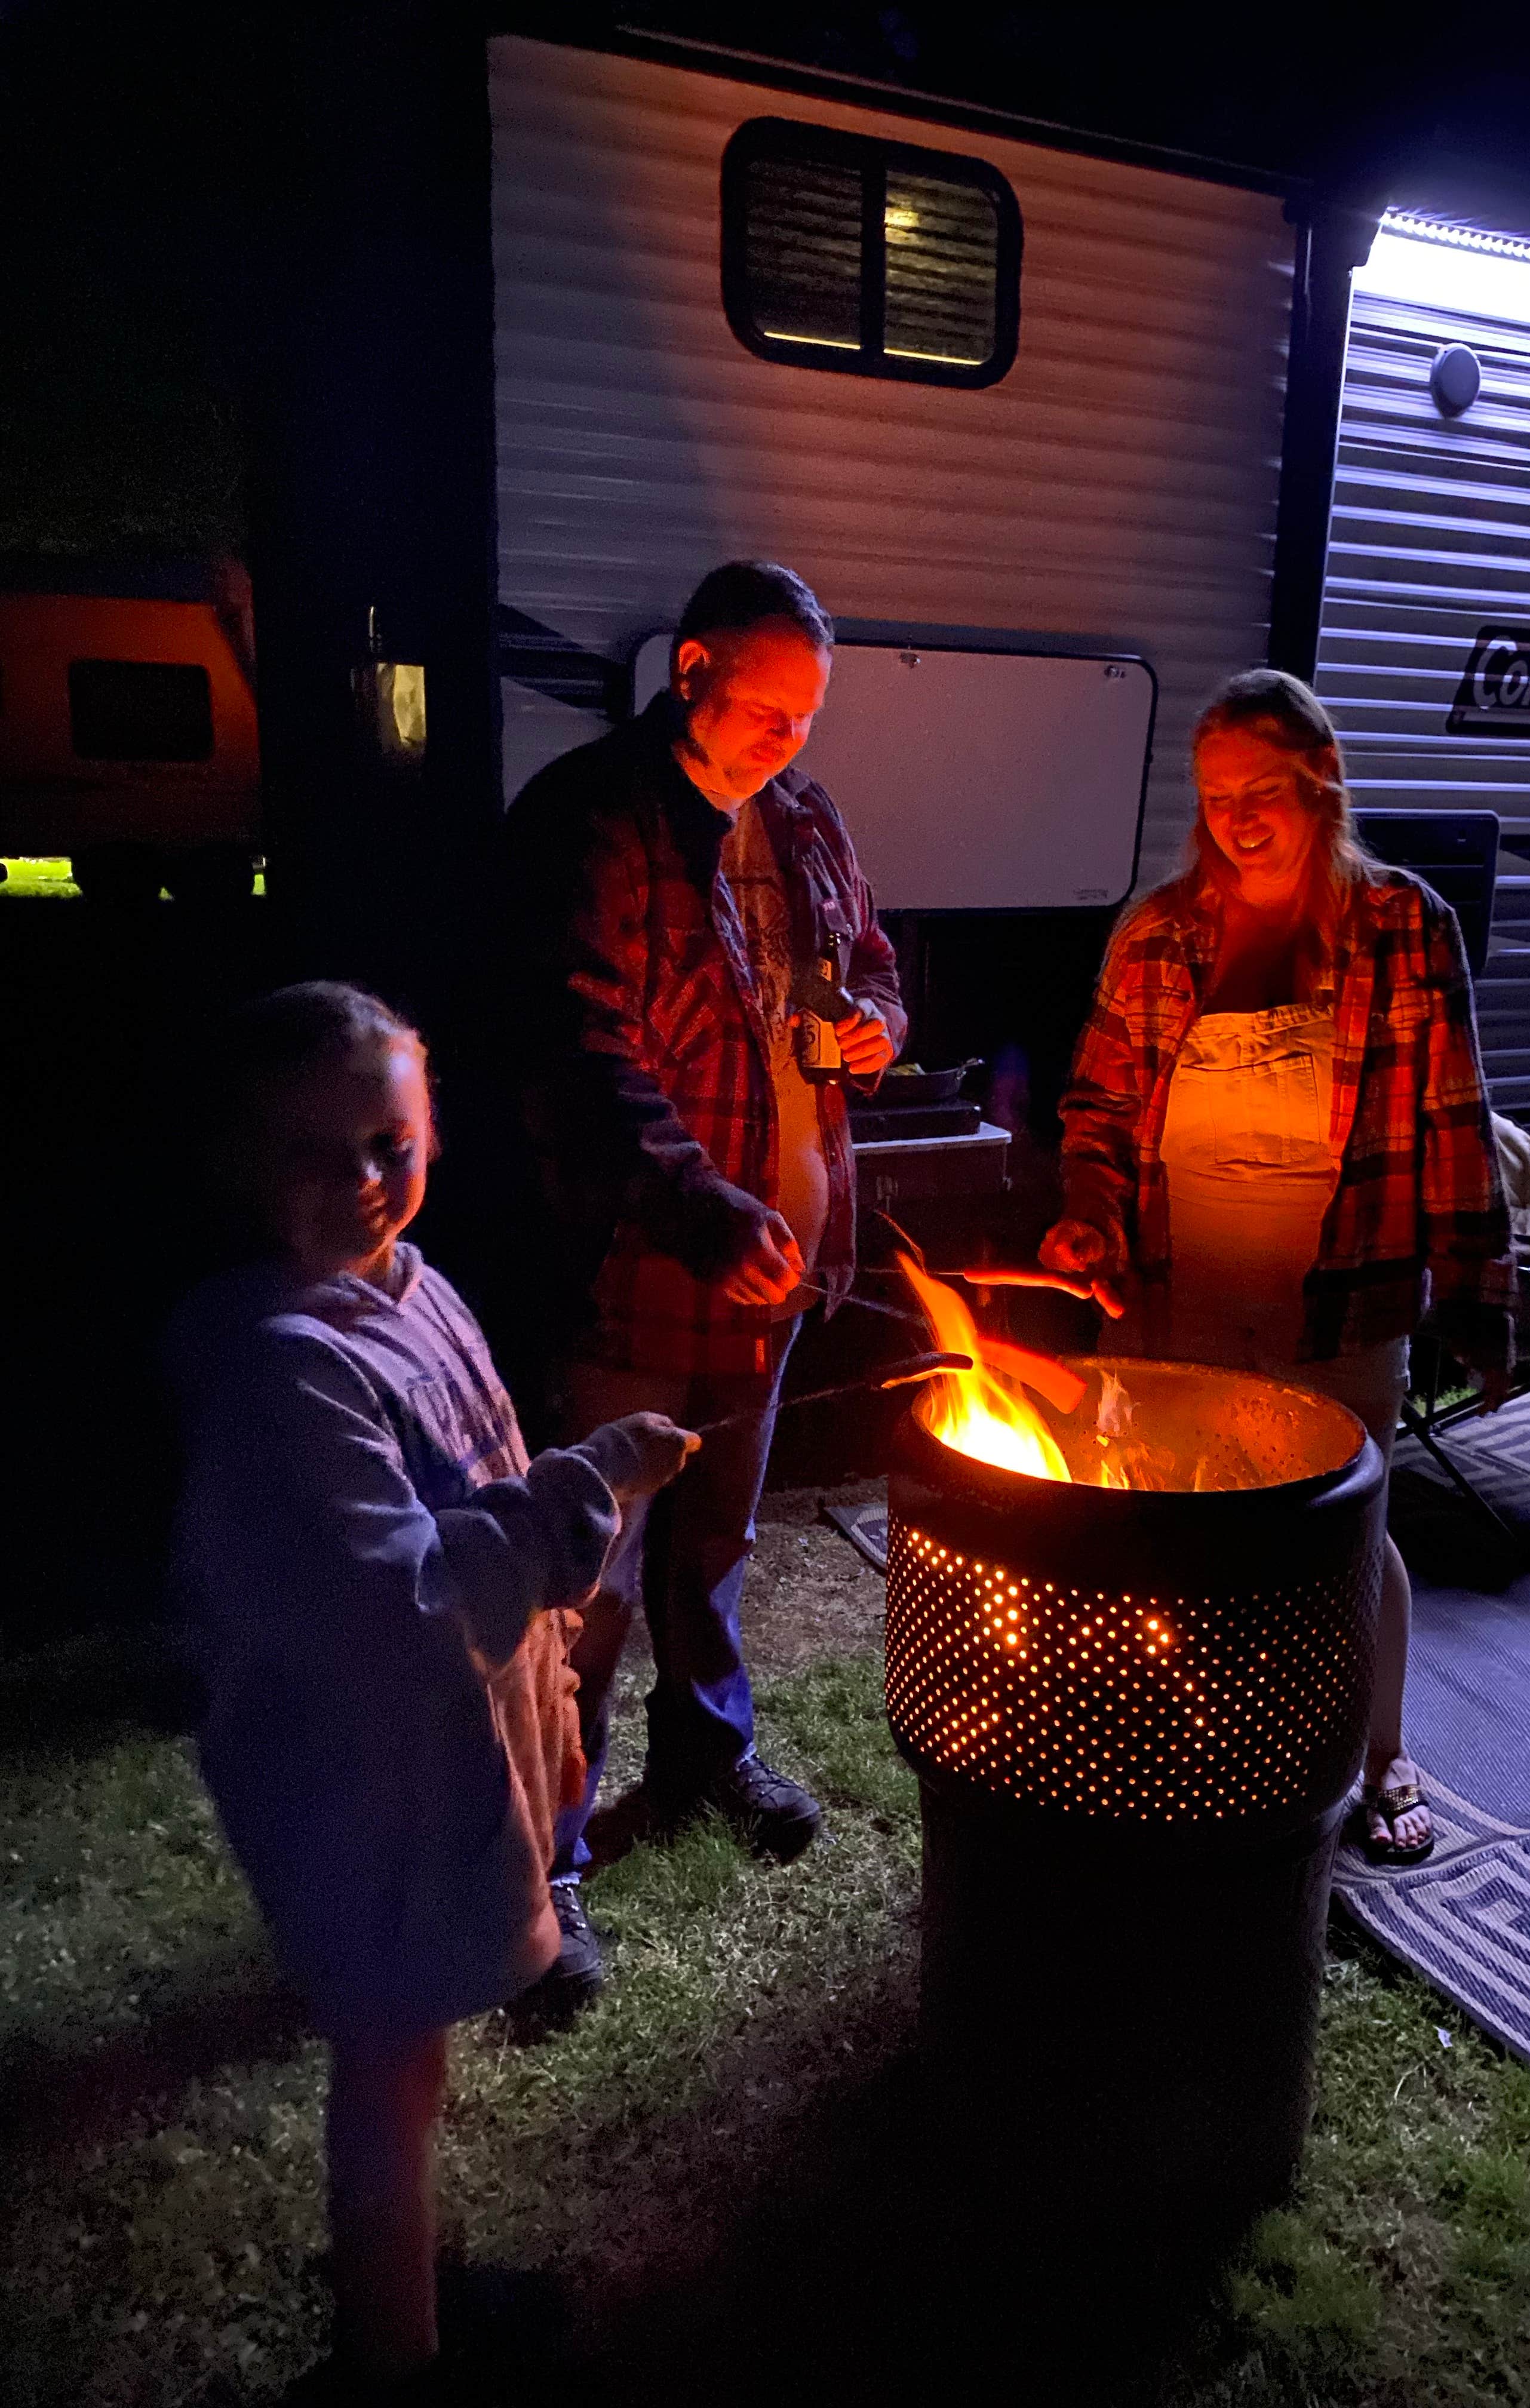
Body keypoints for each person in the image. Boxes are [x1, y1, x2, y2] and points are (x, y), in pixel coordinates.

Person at [164, 982, 696, 2391]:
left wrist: (554, 1707)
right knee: (390, 2064)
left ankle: (407, 2288)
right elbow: (404, 1604)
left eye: (390, 1145)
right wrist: (587, 1487)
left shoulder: (417, 1285)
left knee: (414, 2059)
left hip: (447, 1756)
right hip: (360, 1791)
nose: (363, 1181)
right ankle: (388, 2353)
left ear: (433, 1135)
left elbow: (487, 1483)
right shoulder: (282, 1372)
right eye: (313, 1153)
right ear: (240, 1162)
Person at [1040, 670, 1513, 1866]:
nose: (1238, 819)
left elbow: (1453, 1118)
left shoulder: (1403, 928)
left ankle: (1380, 1754)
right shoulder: (1159, 932)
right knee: (1172, 1530)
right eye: (1216, 797)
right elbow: (1098, 1110)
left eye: (1262, 791)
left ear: (1322, 780)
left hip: (1340, 1302)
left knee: (1342, 1532)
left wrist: (1478, 1295)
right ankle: (1191, 1744)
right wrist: (1090, 1214)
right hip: (1171, 1299)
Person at [504, 561, 906, 1868]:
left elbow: (874, 966)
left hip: (775, 1264)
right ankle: (550, 1848)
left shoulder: (805, 820)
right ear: (690, 675)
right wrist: (703, 1207)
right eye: (768, 710)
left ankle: (706, 1757)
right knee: (594, 1568)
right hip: (640, 1272)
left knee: (715, 1542)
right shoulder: (594, 820)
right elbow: (580, 1052)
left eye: (809, 715)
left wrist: (874, 1025)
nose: (791, 739)